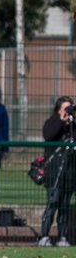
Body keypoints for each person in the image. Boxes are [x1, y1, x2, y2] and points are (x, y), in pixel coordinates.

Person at [37, 96, 76, 247]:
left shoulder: (73, 126)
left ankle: (62, 236)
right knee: (52, 202)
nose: (68, 111)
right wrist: (61, 120)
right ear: (59, 109)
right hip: (54, 172)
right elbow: (49, 135)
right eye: (66, 108)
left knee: (64, 206)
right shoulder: (52, 122)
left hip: (70, 172)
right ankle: (44, 236)